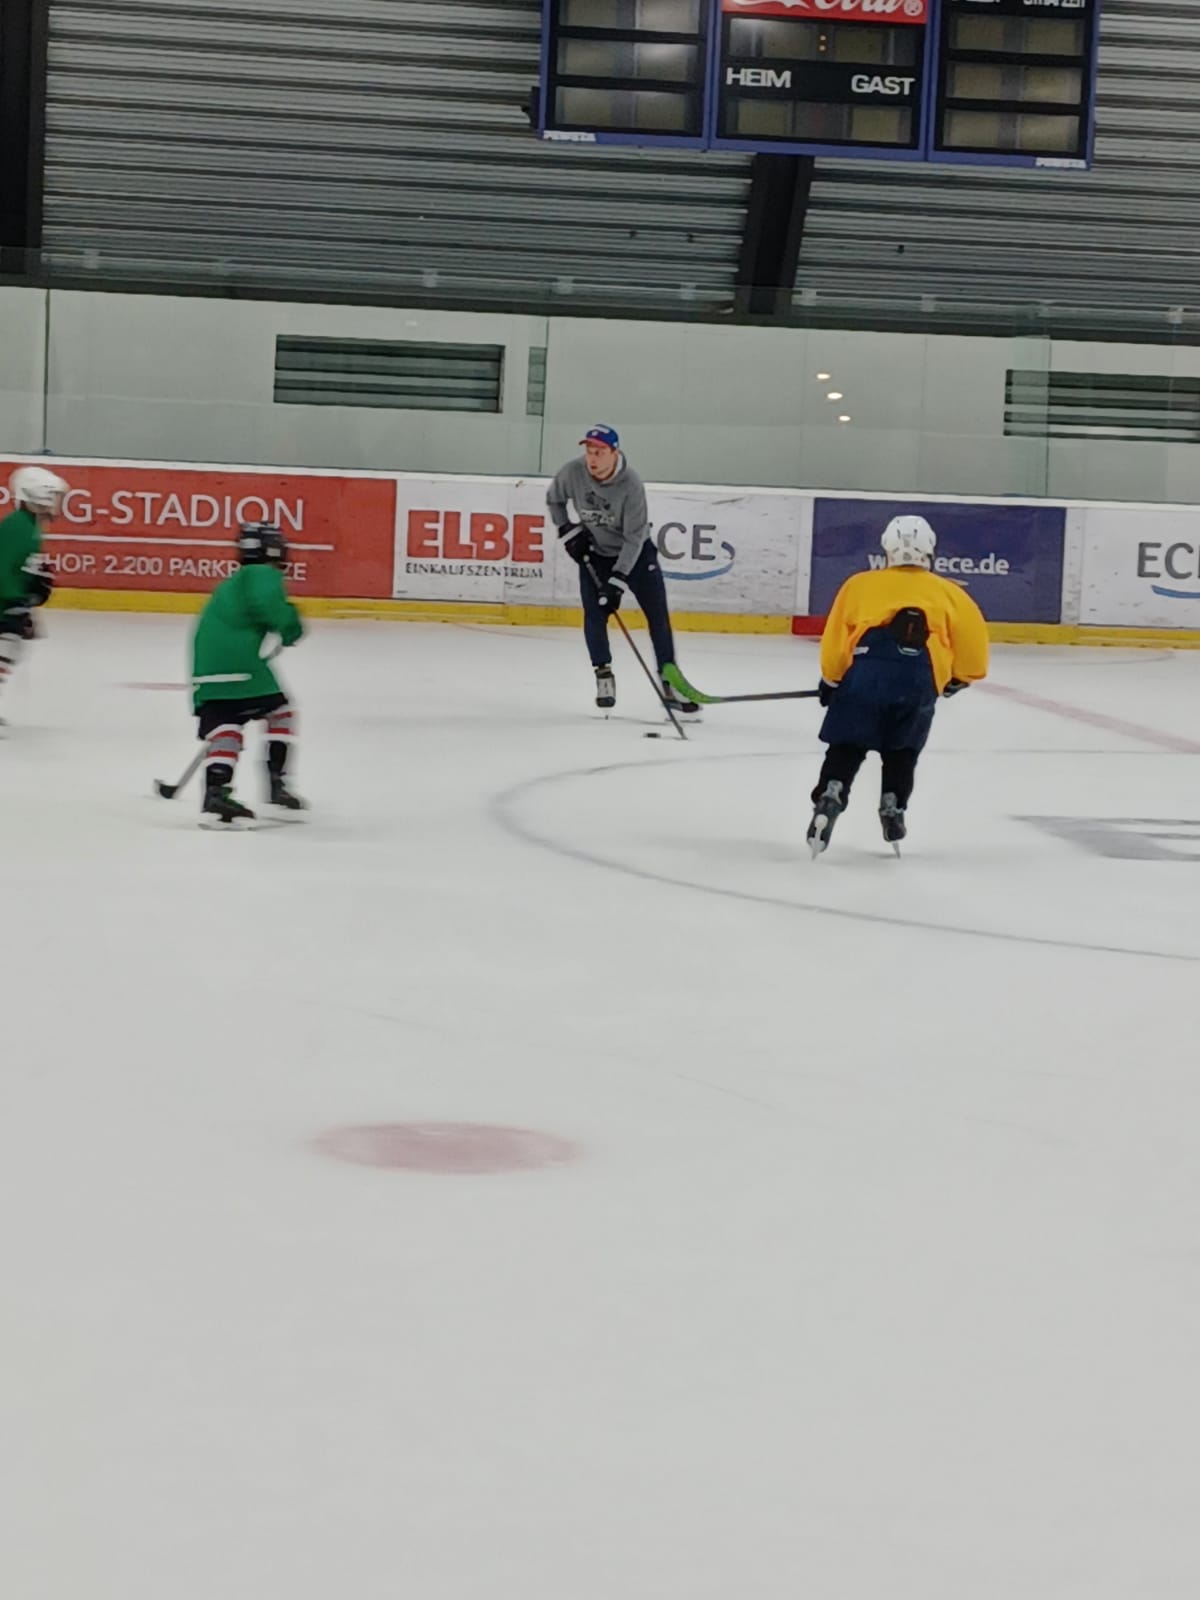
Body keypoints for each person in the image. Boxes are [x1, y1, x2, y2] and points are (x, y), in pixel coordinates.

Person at [807, 515, 989, 857]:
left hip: (865, 675)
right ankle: (894, 802)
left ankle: (832, 790)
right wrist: (960, 678)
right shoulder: (950, 593)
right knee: (902, 750)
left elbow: (835, 640)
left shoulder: (859, 585)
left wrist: (832, 679)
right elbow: (973, 647)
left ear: (887, 549)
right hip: (919, 680)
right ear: (930, 550)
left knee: (847, 744)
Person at [546, 424, 698, 718]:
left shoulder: (631, 484)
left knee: (657, 617)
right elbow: (555, 499)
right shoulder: (573, 472)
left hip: (637, 556)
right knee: (594, 614)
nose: (592, 458)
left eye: (599, 452)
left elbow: (634, 538)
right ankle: (603, 673)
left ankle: (670, 681)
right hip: (595, 555)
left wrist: (618, 579)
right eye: (589, 451)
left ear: (614, 453)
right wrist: (567, 530)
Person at [191, 522, 306, 827]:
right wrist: (291, 625)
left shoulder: (232, 583)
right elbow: (267, 605)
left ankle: (215, 792)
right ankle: (277, 783)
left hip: (207, 669)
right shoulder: (261, 574)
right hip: (240, 667)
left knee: (226, 724)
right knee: (281, 713)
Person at [0, 466, 67, 720]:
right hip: (4, 601)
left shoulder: (28, 527)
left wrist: (28, 589)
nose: (56, 503)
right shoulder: (20, 528)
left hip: (7, 601)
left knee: (10, 648)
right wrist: (14, 601)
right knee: (7, 646)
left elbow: (17, 568)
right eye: (53, 496)